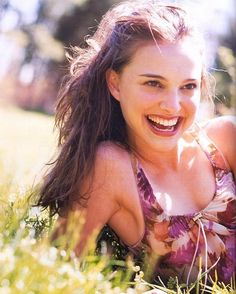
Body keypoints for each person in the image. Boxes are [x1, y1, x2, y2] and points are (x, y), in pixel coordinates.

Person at [37, 0, 236, 288]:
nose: (172, 105)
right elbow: (53, 266)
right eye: (153, 83)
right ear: (115, 84)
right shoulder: (110, 168)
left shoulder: (226, 139)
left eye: (188, 86)